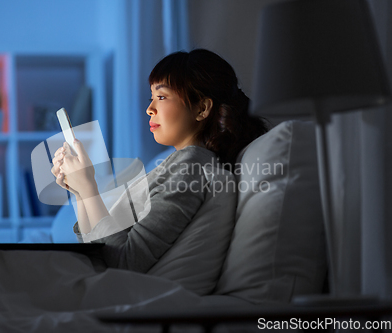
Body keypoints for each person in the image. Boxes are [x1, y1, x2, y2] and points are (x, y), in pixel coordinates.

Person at [51, 49, 267, 274]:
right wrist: (78, 190)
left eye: (161, 97)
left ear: (202, 108)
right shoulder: (180, 165)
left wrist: (88, 188)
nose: (149, 109)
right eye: (151, 98)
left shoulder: (190, 170)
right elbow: (95, 247)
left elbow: (123, 263)